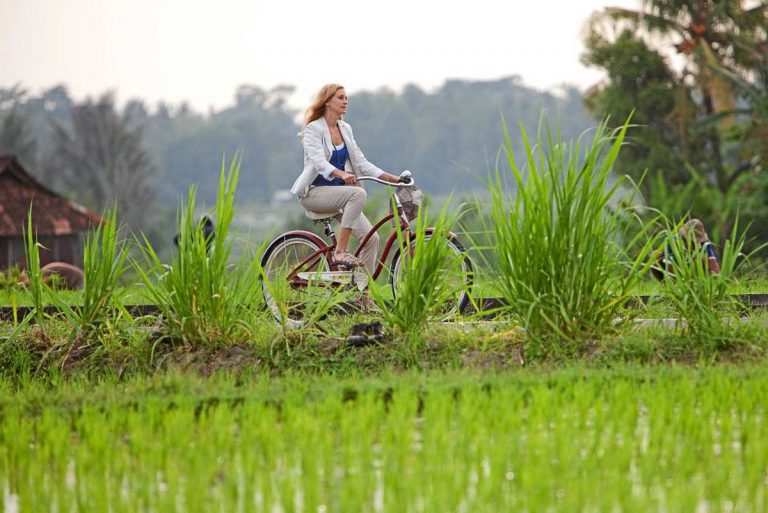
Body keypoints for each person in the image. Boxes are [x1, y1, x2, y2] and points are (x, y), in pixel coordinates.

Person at [290, 84, 403, 272]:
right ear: (327, 101)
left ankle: (362, 289)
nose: (345, 101)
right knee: (357, 194)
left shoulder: (345, 128)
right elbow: (319, 162)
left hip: (339, 196)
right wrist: (341, 174)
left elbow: (361, 163)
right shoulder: (313, 129)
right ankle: (340, 251)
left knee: (371, 239)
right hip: (314, 194)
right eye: (340, 97)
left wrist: (394, 179)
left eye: (346, 98)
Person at [650, 218, 720, 280]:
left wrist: (716, 279)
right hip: (677, 269)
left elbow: (713, 263)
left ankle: (700, 282)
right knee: (655, 255)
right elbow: (669, 266)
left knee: (704, 258)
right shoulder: (673, 242)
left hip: (696, 270)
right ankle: (664, 284)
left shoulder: (706, 244)